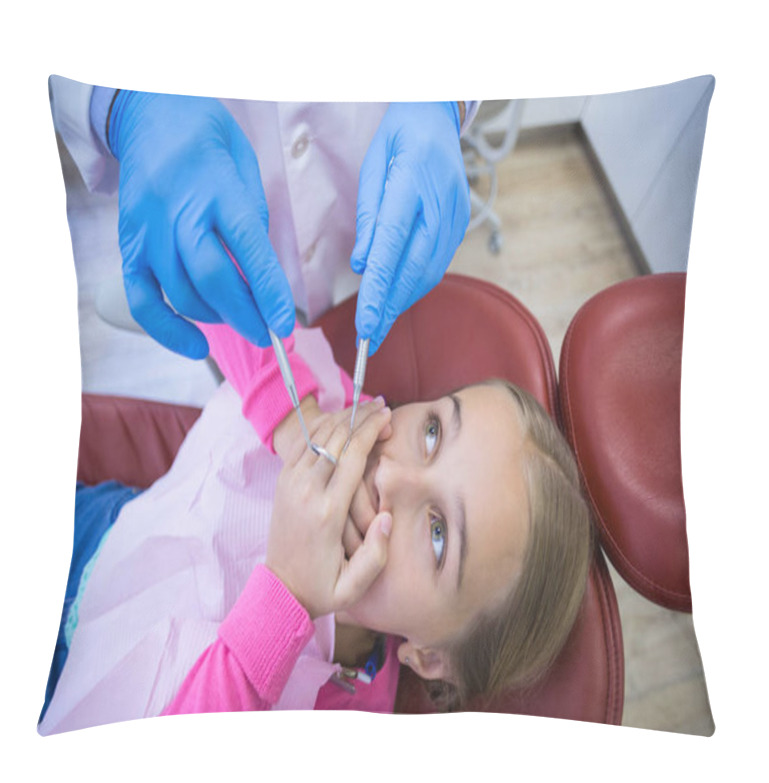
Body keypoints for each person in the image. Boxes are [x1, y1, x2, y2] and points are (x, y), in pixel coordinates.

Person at [38, 313, 593, 733]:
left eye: (439, 534)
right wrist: (290, 415)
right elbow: (224, 287)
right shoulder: (338, 409)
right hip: (92, 530)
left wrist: (286, 602)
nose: (390, 476)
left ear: (429, 656)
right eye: (431, 433)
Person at [49, 77, 477, 359]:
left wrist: (446, 90)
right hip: (207, 208)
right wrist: (119, 99)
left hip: (378, 183)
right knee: (229, 313)